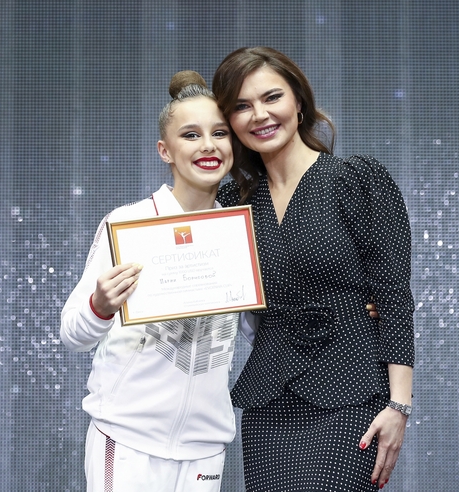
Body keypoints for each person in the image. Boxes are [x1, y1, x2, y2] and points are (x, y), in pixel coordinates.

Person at [213, 47, 415, 491]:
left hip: (353, 392)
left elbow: (395, 298)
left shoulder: (358, 180)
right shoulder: (231, 205)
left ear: (298, 101)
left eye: (272, 97)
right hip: (269, 402)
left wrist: (399, 406)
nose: (260, 115)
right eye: (242, 106)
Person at [60, 71, 240, 492]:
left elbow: (259, 326)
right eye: (191, 135)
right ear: (166, 150)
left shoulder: (240, 233)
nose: (208, 146)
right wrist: (99, 306)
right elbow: (73, 333)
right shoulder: (128, 224)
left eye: (220, 133)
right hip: (126, 438)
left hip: (205, 444)